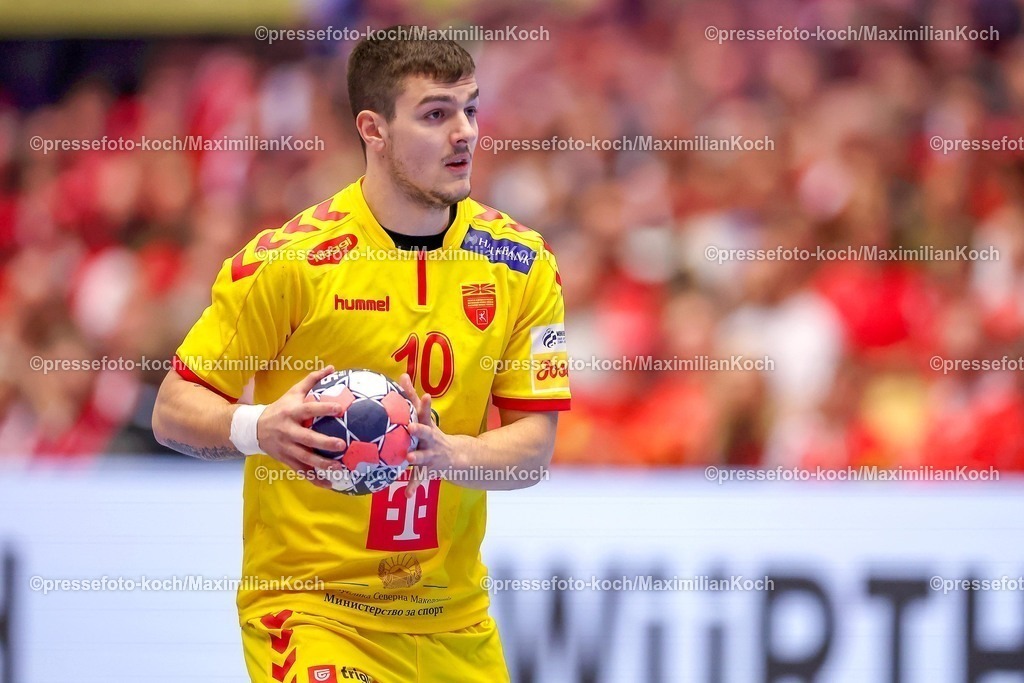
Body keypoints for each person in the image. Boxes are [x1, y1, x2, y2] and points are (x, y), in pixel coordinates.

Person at [151, 25, 570, 683]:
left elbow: (533, 451)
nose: (465, 132)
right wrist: (258, 428)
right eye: (436, 114)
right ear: (373, 129)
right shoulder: (289, 263)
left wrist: (449, 453)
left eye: (470, 109)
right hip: (314, 609)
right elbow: (174, 410)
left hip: (452, 622)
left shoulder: (522, 263)